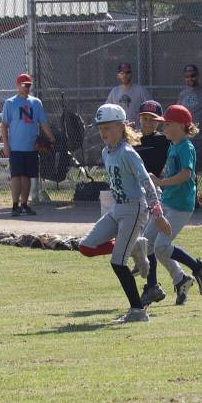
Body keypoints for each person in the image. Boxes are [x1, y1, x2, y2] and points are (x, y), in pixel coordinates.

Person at [77, 104, 171, 323]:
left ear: (122, 127)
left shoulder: (128, 152)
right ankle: (136, 246)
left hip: (134, 209)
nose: (103, 133)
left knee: (118, 262)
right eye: (101, 128)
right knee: (85, 247)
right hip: (118, 208)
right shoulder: (105, 151)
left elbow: (147, 182)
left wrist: (157, 215)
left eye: (108, 128)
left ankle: (138, 311)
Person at [137, 105, 202, 307]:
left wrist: (160, 182)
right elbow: (170, 172)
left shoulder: (185, 147)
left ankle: (198, 267)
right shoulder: (172, 145)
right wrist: (159, 180)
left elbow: (186, 174)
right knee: (147, 242)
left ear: (180, 126)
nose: (163, 128)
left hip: (181, 205)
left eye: (167, 124)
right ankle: (174, 281)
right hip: (167, 201)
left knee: (161, 246)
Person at [0, 73, 55, 216]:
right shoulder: (10, 102)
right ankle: (14, 206)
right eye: (23, 85)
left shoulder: (36, 102)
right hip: (16, 147)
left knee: (27, 177)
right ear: (17, 86)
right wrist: (6, 145)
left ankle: (25, 205)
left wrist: (51, 138)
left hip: (31, 146)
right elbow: (4, 125)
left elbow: (42, 123)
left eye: (28, 85)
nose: (26, 87)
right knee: (16, 176)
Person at [136, 100, 171, 177]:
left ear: (159, 121)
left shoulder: (165, 140)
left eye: (153, 119)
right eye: (145, 118)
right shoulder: (131, 137)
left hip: (157, 185)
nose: (148, 123)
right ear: (139, 118)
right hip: (134, 185)